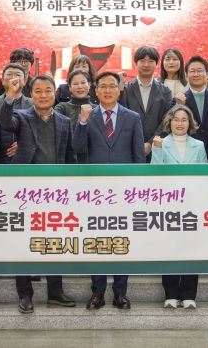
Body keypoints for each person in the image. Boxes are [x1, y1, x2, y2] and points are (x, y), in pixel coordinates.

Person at [0, 74, 78, 313]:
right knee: (23, 240)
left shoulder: (64, 121)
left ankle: (55, 291)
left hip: (56, 192)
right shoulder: (22, 117)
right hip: (26, 192)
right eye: (38, 91)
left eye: (48, 90)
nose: (43, 95)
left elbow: (70, 156)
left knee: (54, 241)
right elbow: (5, 123)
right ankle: (25, 294)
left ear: (55, 93)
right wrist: (10, 96)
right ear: (31, 94)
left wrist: (73, 187)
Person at [73, 71, 145, 310]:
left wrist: (138, 189)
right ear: (96, 91)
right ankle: (97, 292)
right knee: (97, 240)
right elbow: (78, 148)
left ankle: (120, 293)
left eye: (111, 86)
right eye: (102, 86)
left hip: (124, 192)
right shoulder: (88, 115)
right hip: (95, 192)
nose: (107, 90)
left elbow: (138, 155)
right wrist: (82, 122)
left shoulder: (132, 117)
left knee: (122, 240)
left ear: (119, 89)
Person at [150, 105, 207, 309]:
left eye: (184, 119)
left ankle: (189, 295)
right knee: (170, 250)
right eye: (176, 119)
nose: (180, 123)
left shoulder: (198, 146)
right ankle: (171, 294)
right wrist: (157, 150)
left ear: (189, 123)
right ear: (169, 122)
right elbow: (155, 174)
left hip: (192, 205)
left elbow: (204, 177)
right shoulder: (161, 143)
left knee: (192, 250)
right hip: (169, 206)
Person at [118, 46, 172, 162]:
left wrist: (150, 143)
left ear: (156, 64)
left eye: (151, 61)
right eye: (142, 61)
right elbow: (122, 118)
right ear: (136, 63)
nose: (146, 65)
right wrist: (136, 144)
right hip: (129, 149)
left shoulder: (165, 91)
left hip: (158, 148)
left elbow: (167, 120)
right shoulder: (125, 90)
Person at [169, 56, 208, 162]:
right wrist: (180, 106)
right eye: (192, 71)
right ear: (186, 75)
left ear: (207, 74)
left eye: (200, 71)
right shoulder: (177, 100)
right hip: (188, 155)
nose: (196, 74)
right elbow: (170, 127)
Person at [0, 64, 33, 164]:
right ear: (2, 80)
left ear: (25, 81)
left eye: (18, 75)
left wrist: (24, 144)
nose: (13, 78)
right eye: (9, 74)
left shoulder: (33, 104)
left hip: (25, 161)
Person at [54, 69, 96, 163]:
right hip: (68, 159)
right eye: (75, 84)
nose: (80, 86)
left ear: (89, 85)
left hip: (91, 160)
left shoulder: (97, 109)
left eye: (83, 82)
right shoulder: (61, 108)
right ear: (69, 87)